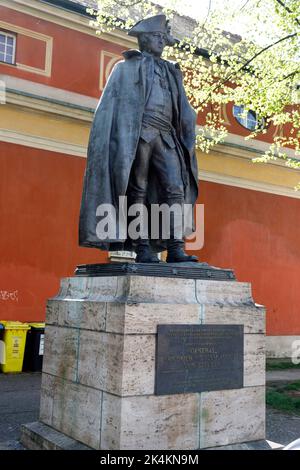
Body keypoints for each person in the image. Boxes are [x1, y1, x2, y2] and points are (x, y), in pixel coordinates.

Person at [79, 14, 199, 263]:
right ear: (144, 39)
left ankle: (176, 247)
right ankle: (141, 246)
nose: (162, 42)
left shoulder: (170, 71)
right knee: (138, 189)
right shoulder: (126, 68)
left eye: (164, 38)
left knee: (175, 188)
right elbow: (110, 109)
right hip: (138, 135)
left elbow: (182, 108)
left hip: (166, 135)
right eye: (157, 37)